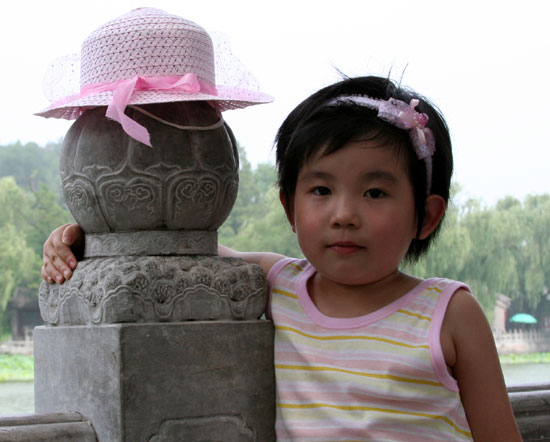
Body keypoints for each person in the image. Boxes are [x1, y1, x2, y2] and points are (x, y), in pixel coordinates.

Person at [42, 75, 521, 441]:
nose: (344, 215)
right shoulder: (281, 285)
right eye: (321, 190)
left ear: (427, 217)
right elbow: (181, 253)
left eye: (375, 192)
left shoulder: (449, 314)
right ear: (290, 208)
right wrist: (87, 240)